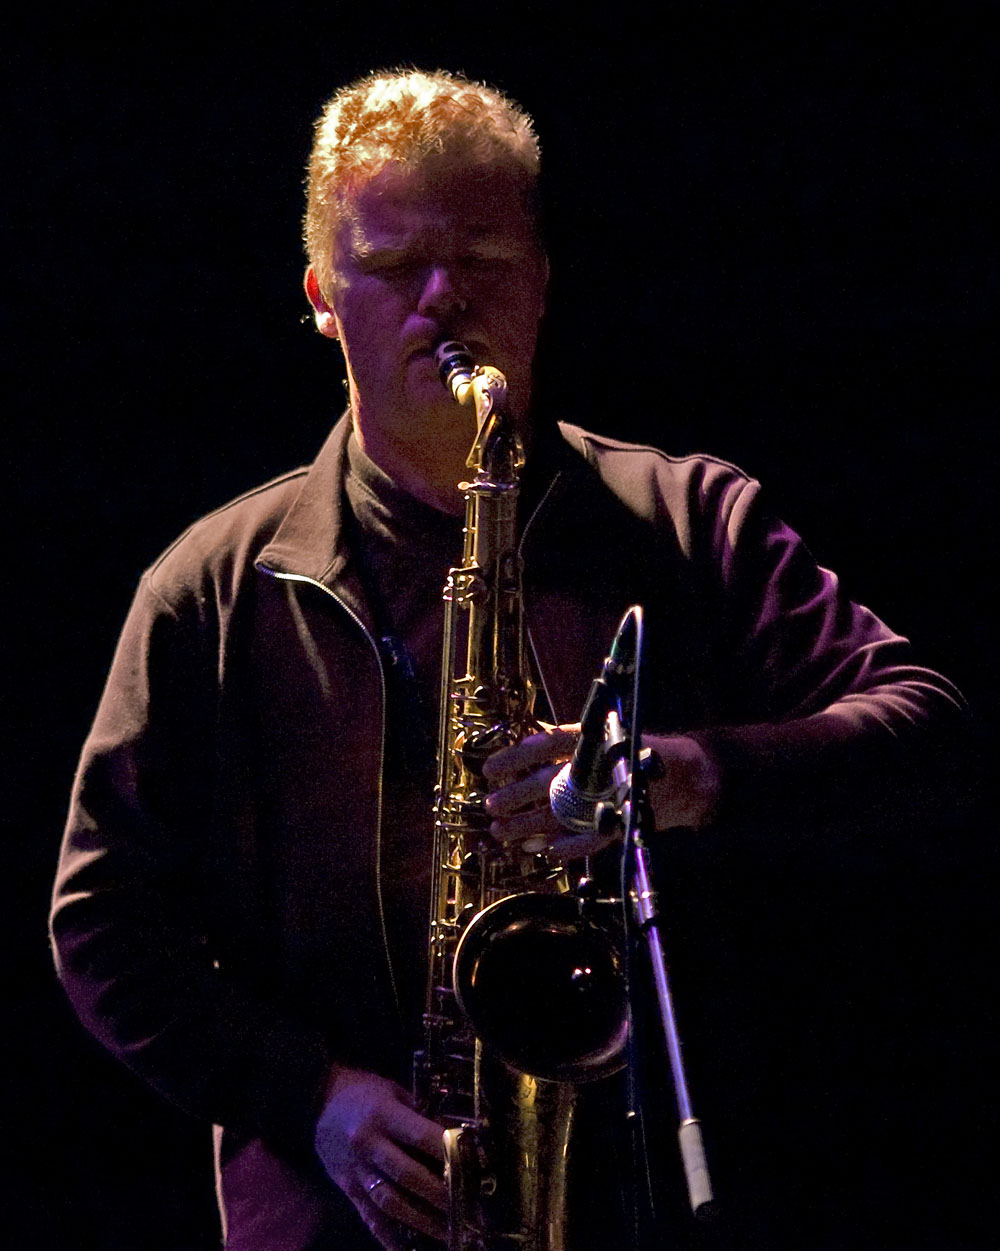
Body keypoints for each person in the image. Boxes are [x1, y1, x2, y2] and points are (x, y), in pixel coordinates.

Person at [51, 68, 965, 1251]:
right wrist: (311, 1097)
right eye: (395, 268)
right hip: (346, 1212)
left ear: (539, 280)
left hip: (646, 1196)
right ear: (324, 297)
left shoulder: (686, 517)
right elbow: (101, 925)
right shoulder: (213, 587)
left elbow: (931, 725)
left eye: (483, 259)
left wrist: (684, 774)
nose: (445, 300)